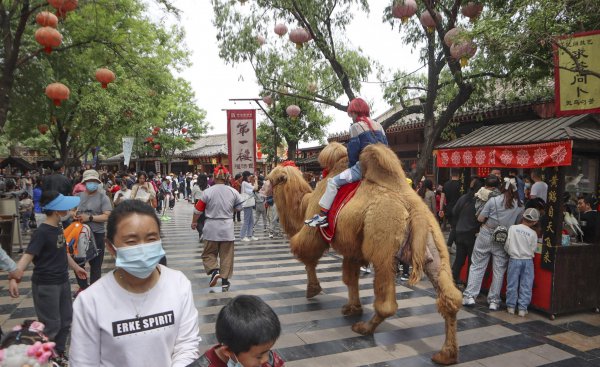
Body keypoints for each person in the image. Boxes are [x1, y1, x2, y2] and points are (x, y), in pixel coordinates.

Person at [70, 200, 200, 366]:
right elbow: (84, 362)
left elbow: (187, 345)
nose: (143, 248)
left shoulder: (178, 284)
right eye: (131, 241)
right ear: (110, 247)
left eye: (151, 238)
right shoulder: (90, 301)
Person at [9, 191, 87, 364]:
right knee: (51, 325)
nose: (71, 210)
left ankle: (57, 354)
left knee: (66, 320)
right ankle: (45, 357)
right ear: (57, 210)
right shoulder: (42, 232)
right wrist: (15, 276)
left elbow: (62, 251)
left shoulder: (57, 228)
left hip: (62, 281)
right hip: (46, 285)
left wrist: (75, 267)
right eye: (67, 207)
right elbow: (28, 256)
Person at [305, 97, 388, 227]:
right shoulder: (380, 126)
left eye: (352, 113)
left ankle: (323, 216)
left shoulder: (356, 126)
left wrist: (351, 167)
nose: (351, 116)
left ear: (356, 112)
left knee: (332, 182)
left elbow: (353, 152)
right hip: (382, 167)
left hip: (363, 167)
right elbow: (386, 148)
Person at [463, 177, 523, 311]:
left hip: (486, 234)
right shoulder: (519, 205)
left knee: (477, 265)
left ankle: (470, 296)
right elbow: (518, 223)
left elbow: (480, 218)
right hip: (503, 238)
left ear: (502, 187)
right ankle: (494, 301)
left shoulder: (493, 200)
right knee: (499, 270)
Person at [190, 295, 285, 367]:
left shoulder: (269, 360)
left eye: (268, 351)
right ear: (228, 350)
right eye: (259, 356)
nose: (266, 359)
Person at [191, 166, 242, 291]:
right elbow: (239, 207)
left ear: (214, 177)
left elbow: (198, 209)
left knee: (208, 253)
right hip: (227, 228)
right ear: (226, 178)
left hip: (211, 228)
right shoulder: (233, 191)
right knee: (227, 255)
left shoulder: (208, 192)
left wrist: (194, 222)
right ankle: (225, 282)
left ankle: (214, 271)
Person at [74, 169, 112, 291]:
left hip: (97, 235)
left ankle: (94, 291)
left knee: (96, 265)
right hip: (79, 235)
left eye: (94, 181)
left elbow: (107, 216)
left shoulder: (103, 197)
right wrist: (73, 215)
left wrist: (89, 217)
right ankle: (83, 287)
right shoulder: (77, 197)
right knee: (79, 263)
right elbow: (67, 212)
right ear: (84, 182)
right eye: (89, 181)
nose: (92, 183)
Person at [504, 208, 539, 317]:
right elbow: (533, 249)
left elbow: (507, 244)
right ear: (535, 222)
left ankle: (510, 307)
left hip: (514, 259)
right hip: (528, 261)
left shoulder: (513, 228)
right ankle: (522, 309)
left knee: (512, 283)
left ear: (522, 217)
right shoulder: (533, 233)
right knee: (526, 285)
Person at [452, 177, 483, 286]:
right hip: (471, 233)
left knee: (459, 259)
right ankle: (469, 284)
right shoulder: (479, 201)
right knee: (471, 261)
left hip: (460, 231)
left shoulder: (463, 198)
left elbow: (454, 211)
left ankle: (452, 280)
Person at [239, 171, 257, 242]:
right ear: (246, 176)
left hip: (249, 204)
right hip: (247, 204)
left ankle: (250, 235)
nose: (250, 177)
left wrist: (254, 181)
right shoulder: (244, 183)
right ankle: (242, 236)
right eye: (249, 176)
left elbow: (251, 190)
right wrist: (256, 180)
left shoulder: (246, 183)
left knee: (251, 221)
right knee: (246, 220)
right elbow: (255, 188)